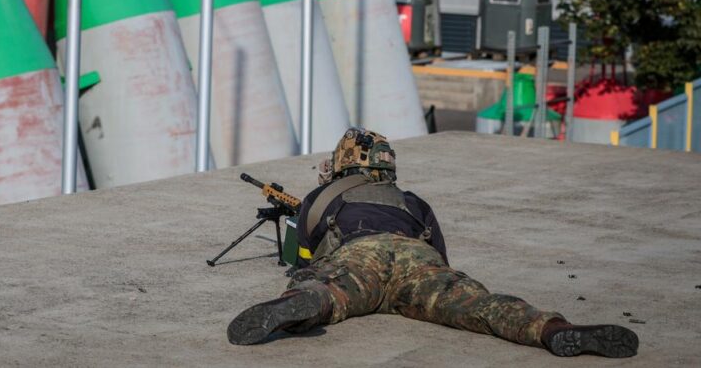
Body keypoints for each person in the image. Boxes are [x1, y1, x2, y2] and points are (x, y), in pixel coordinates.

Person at [226, 127, 638, 358]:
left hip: (360, 257)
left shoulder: (325, 196)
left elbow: (301, 256)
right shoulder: (411, 200)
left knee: (323, 289)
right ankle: (551, 328)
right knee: (478, 304)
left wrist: (308, 276)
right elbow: (439, 255)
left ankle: (301, 305)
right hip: (418, 261)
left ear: (341, 163)